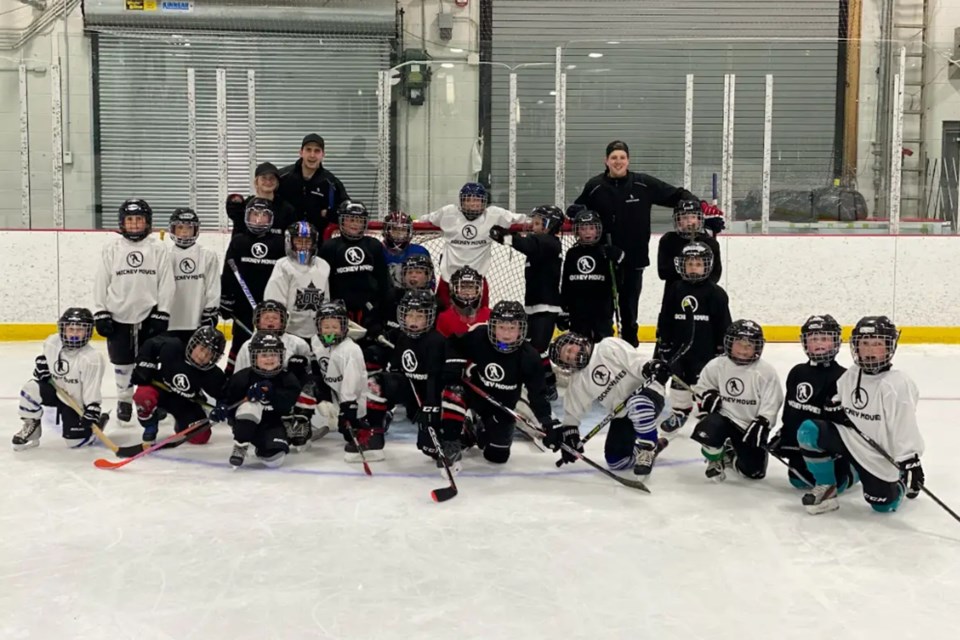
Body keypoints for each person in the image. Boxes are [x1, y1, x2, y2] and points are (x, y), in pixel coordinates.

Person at [570, 140, 723, 346]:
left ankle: (629, 347)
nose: (618, 161)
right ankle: (604, 350)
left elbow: (677, 195)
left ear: (628, 160)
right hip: (604, 258)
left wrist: (701, 207)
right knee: (603, 309)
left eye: (622, 157)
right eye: (614, 157)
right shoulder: (595, 186)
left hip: (634, 259)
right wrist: (576, 212)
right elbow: (577, 208)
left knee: (629, 309)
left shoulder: (643, 184)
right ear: (606, 160)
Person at [797, 316, 925, 515]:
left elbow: (904, 425)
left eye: (877, 344)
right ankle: (827, 487)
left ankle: (898, 480)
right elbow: (839, 398)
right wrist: (834, 408)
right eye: (864, 344)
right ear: (856, 346)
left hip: (879, 454)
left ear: (889, 347)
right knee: (809, 430)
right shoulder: (851, 374)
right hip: (851, 439)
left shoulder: (898, 384)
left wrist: (910, 460)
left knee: (882, 505)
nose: (870, 350)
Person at [442, 301, 554, 465]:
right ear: (492, 326)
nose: (506, 335)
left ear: (521, 329)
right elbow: (453, 343)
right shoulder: (480, 336)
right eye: (501, 327)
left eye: (512, 328)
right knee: (454, 390)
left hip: (502, 406)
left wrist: (547, 423)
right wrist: (458, 364)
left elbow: (538, 394)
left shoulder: (529, 356)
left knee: (497, 456)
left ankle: (477, 430)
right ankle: (451, 440)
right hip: (475, 396)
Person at [93, 198, 175, 423]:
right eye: (130, 220)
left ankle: (147, 399)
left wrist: (163, 311)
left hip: (149, 313)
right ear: (122, 223)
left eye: (139, 219)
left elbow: (167, 282)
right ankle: (124, 399)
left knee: (149, 360)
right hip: (118, 313)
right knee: (122, 360)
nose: (135, 224)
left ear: (147, 222)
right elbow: (101, 281)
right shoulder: (112, 248)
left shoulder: (158, 248)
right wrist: (101, 311)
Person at [547, 333, 671, 475]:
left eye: (569, 351)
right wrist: (570, 436)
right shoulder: (578, 380)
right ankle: (653, 447)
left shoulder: (607, 346)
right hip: (624, 413)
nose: (572, 357)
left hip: (649, 394)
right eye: (568, 360)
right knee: (617, 461)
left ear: (576, 341)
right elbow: (572, 414)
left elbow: (636, 362)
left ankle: (647, 449)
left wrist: (651, 367)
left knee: (636, 403)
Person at [366, 290, 456, 475]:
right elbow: (397, 370)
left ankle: (460, 438)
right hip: (412, 391)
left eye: (419, 316)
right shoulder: (403, 337)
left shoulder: (436, 341)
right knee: (376, 382)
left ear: (430, 317)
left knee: (429, 449)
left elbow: (434, 378)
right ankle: (375, 434)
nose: (413, 320)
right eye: (409, 315)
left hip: (432, 397)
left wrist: (430, 407)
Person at [690, 320, 784, 482]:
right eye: (739, 344)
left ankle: (729, 455)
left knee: (753, 472)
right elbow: (701, 387)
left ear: (758, 347)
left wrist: (764, 421)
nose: (743, 350)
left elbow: (772, 402)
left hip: (749, 426)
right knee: (707, 430)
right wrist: (707, 394)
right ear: (730, 343)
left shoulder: (765, 372)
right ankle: (714, 458)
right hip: (724, 418)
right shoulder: (717, 365)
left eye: (749, 345)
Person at [489, 204, 564, 401]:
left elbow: (527, 244)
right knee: (533, 348)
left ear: (551, 225)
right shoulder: (542, 242)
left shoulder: (550, 242)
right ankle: (545, 383)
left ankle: (547, 385)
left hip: (546, 307)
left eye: (539, 223)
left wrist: (506, 237)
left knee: (535, 349)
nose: (533, 226)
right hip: (534, 305)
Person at [769, 314, 851, 491]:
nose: (819, 343)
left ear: (836, 342)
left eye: (825, 338)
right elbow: (792, 412)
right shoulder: (797, 372)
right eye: (814, 339)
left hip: (829, 451)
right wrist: (785, 437)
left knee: (840, 484)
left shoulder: (845, 377)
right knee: (798, 481)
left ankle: (858, 469)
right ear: (805, 342)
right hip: (802, 447)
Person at [656, 242, 731, 434]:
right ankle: (680, 411)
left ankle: (706, 413)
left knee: (703, 382)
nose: (693, 268)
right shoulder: (675, 289)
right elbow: (665, 316)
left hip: (704, 350)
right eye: (689, 264)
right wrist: (663, 341)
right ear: (682, 265)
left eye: (698, 264)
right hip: (678, 348)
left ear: (707, 265)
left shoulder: (716, 293)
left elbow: (723, 323)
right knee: (678, 380)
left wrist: (722, 348)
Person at [418, 182, 528, 309]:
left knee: (480, 321)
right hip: (448, 279)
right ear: (461, 201)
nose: (472, 204)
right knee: (443, 320)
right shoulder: (448, 213)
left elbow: (523, 220)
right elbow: (424, 220)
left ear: (484, 202)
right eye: (468, 200)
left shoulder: (494, 215)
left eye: (477, 200)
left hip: (477, 283)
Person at [13, 308, 105, 450]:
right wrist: (41, 368)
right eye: (71, 329)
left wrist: (92, 408)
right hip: (56, 392)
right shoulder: (52, 342)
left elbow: (91, 388)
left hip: (75, 402)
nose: (74, 334)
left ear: (88, 332)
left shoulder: (92, 358)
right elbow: (45, 365)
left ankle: (98, 425)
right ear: (63, 329)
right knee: (30, 388)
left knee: (75, 443)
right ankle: (31, 427)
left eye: (80, 330)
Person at [214, 332, 301, 469]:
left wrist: (271, 392)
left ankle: (260, 443)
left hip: (273, 424)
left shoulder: (287, 378)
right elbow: (227, 399)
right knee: (250, 406)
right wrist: (222, 408)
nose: (269, 359)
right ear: (254, 357)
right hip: (246, 423)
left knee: (274, 461)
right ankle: (241, 444)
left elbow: (286, 404)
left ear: (281, 355)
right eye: (264, 355)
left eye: (273, 354)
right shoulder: (241, 377)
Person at [220, 199, 285, 375]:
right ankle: (232, 377)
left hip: (270, 308)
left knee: (271, 345)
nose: (258, 220)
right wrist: (226, 298)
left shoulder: (280, 243)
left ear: (271, 219)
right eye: (255, 214)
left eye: (263, 215)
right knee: (240, 342)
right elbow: (228, 271)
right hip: (243, 305)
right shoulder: (239, 241)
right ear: (247, 216)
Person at [311, 301, 382, 462]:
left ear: (344, 327)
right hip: (335, 393)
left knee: (351, 427)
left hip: (356, 399)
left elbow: (353, 382)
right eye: (326, 327)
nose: (330, 332)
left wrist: (348, 405)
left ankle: (371, 432)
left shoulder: (350, 350)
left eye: (335, 327)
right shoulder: (316, 341)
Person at [131, 326, 227, 445]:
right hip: (160, 391)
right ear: (194, 343)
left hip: (184, 402)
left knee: (201, 436)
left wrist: (222, 406)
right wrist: (143, 366)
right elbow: (149, 345)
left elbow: (225, 394)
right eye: (202, 349)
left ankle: (180, 425)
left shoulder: (212, 374)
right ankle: (150, 426)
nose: (203, 356)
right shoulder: (172, 347)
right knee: (143, 396)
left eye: (209, 355)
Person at [318, 201, 393, 343]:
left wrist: (383, 306)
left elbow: (383, 278)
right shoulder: (330, 246)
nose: (355, 224)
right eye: (351, 219)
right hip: (340, 310)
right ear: (342, 221)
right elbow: (324, 281)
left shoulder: (373, 245)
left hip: (370, 309)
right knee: (334, 344)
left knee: (372, 348)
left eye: (359, 220)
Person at [559, 209, 621, 343]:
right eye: (583, 228)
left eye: (591, 228)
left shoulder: (605, 251)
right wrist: (563, 308)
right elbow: (566, 283)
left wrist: (619, 258)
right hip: (578, 309)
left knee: (604, 343)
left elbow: (618, 280)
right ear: (577, 231)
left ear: (598, 230)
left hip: (602, 309)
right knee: (578, 343)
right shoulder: (572, 253)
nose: (587, 232)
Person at [263, 221, 331, 341]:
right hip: (289, 334)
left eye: (308, 241)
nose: (304, 246)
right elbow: (275, 300)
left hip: (316, 335)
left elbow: (325, 301)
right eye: (299, 241)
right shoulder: (283, 266)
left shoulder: (323, 266)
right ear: (290, 242)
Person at [277, 134, 350, 238]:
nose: (312, 155)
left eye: (317, 151)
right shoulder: (283, 177)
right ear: (301, 152)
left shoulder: (331, 183)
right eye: (308, 150)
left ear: (323, 154)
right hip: (285, 240)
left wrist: (327, 213)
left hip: (318, 243)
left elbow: (346, 211)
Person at [166, 208, 221, 343]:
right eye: (180, 227)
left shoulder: (207, 255)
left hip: (197, 321)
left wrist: (211, 310)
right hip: (170, 322)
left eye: (189, 228)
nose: (184, 232)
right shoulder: (164, 255)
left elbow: (213, 285)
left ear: (196, 230)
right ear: (172, 229)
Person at [657, 199, 723, 298]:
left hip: (704, 295)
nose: (689, 222)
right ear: (678, 221)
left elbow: (715, 274)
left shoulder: (710, 243)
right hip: (675, 295)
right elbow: (663, 272)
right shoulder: (668, 240)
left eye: (693, 217)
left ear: (699, 219)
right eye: (684, 217)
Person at [226, 162, 296, 236]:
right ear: (256, 181)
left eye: (272, 178)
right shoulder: (245, 206)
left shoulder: (286, 209)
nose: (268, 181)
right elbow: (238, 235)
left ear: (277, 182)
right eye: (263, 178)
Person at [382, 210, 432, 289]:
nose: (399, 233)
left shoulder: (420, 252)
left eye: (403, 230)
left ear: (409, 231)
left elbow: (430, 281)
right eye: (395, 229)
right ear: (387, 231)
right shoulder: (377, 250)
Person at [436, 266, 491, 337]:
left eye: (471, 287)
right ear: (454, 289)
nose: (467, 291)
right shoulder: (445, 318)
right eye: (462, 287)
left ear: (478, 289)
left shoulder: (489, 315)